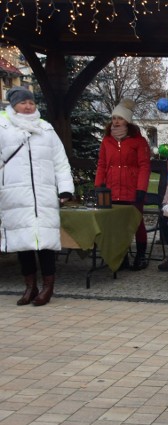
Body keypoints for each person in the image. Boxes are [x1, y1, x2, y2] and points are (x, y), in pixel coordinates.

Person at [0, 86, 74, 306]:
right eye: (23, 103)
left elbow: (60, 161)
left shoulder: (46, 129)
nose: (28, 106)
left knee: (46, 243)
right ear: (13, 105)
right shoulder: (3, 128)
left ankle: (47, 287)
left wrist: (65, 189)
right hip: (15, 195)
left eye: (31, 102)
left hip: (43, 195)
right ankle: (30, 286)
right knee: (23, 244)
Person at [94, 98, 152, 270]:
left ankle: (140, 256)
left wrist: (141, 188)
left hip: (132, 189)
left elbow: (144, 166)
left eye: (120, 118)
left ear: (127, 120)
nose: (116, 121)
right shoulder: (106, 141)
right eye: (114, 118)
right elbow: (102, 164)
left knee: (136, 223)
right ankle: (121, 256)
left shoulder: (138, 141)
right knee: (116, 224)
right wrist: (99, 185)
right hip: (112, 189)